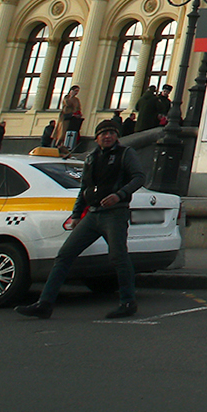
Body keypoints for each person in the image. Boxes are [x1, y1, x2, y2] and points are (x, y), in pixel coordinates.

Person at [17, 119, 144, 320]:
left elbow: (139, 177)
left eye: (111, 133)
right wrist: (77, 214)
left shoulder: (125, 154)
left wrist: (119, 195)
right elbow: (84, 188)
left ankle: (128, 302)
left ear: (117, 136)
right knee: (65, 255)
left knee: (118, 257)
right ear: (96, 138)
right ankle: (45, 303)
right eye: (103, 133)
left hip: (115, 213)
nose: (108, 136)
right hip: (93, 214)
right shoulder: (92, 157)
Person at [58, 85, 84, 152]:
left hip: (73, 118)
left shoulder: (76, 100)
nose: (76, 92)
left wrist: (78, 114)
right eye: (75, 91)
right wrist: (71, 96)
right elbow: (67, 104)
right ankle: (59, 145)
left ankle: (69, 146)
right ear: (71, 91)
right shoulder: (67, 98)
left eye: (77, 91)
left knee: (73, 132)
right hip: (66, 117)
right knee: (63, 132)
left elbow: (78, 107)